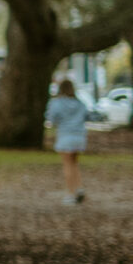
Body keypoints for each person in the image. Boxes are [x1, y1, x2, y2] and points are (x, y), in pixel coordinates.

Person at [46, 75, 89, 204]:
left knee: (67, 165)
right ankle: (79, 187)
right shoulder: (80, 103)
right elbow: (86, 116)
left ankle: (70, 194)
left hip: (65, 135)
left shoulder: (56, 103)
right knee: (74, 163)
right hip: (79, 135)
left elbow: (52, 118)